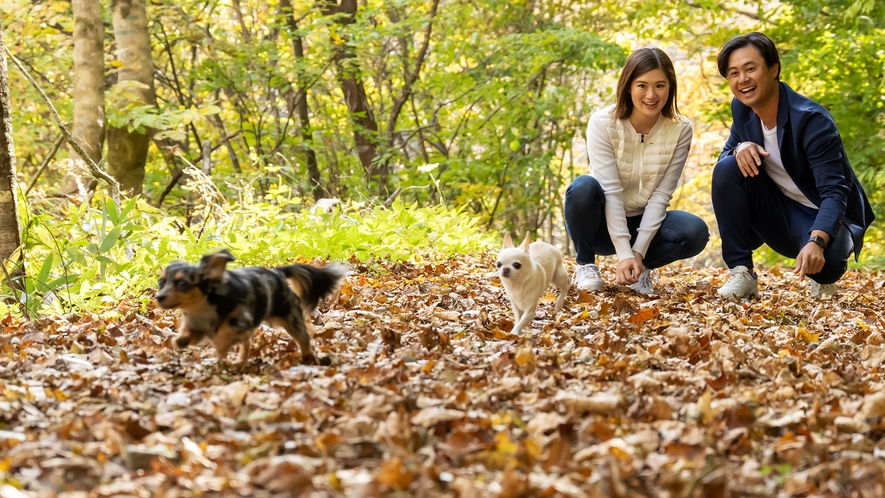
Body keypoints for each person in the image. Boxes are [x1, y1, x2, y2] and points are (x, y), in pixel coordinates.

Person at [711, 32, 874, 299]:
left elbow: (834, 192)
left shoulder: (811, 121)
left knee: (827, 266)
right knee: (728, 168)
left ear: (774, 69)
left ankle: (822, 274)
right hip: (779, 210)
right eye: (734, 73)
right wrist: (740, 147)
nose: (743, 80)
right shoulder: (741, 109)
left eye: (751, 69)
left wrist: (817, 241)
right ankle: (741, 271)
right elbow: (724, 159)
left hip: (825, 215)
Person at [564, 47, 709, 295]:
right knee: (583, 187)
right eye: (642, 85)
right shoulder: (602, 123)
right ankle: (586, 264)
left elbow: (662, 194)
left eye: (660, 85)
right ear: (628, 86)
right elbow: (610, 191)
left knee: (694, 231)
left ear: (670, 87)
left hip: (643, 222)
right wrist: (622, 251)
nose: (651, 95)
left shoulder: (680, 129)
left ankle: (641, 269)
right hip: (599, 224)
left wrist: (637, 252)